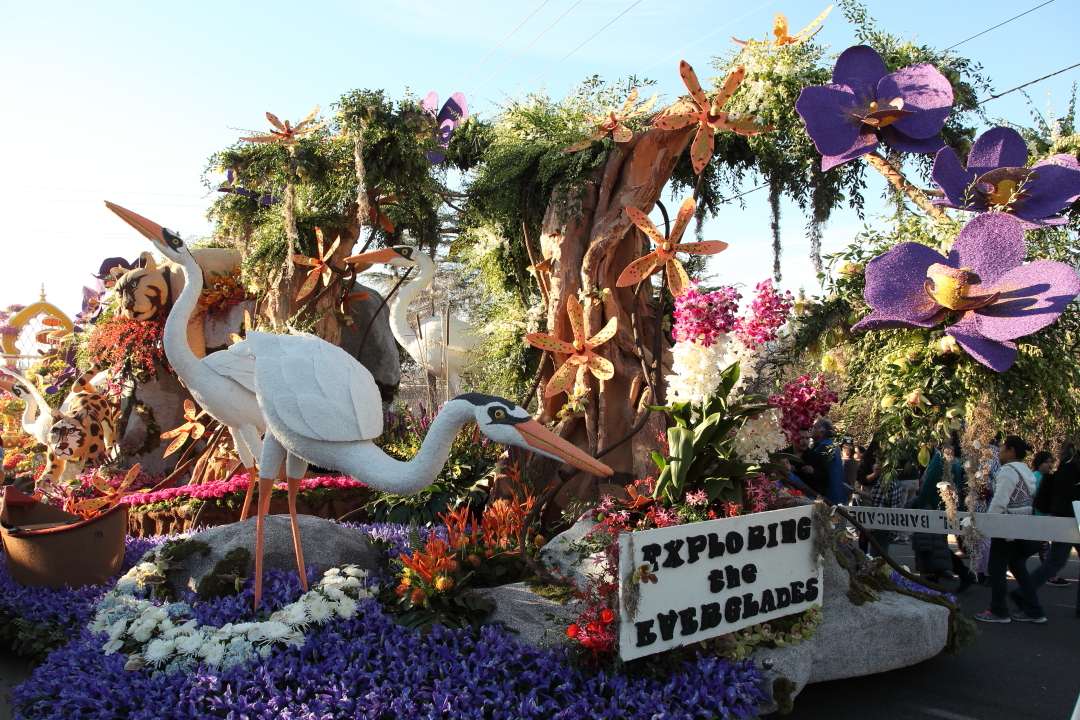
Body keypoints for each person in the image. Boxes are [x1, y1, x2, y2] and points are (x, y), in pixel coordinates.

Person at [976, 435, 1045, 624]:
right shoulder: (1026, 470)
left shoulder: (1008, 471)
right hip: (1022, 527)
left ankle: (999, 611)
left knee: (996, 568)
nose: (999, 451)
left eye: (1002, 448)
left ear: (1011, 451)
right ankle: (1034, 610)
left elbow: (1000, 501)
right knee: (1018, 567)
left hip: (1006, 528)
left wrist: (988, 522)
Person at [912, 434, 974, 590]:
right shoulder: (956, 460)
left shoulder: (940, 458)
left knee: (931, 545)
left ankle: (947, 576)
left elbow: (930, 482)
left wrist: (919, 503)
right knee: (939, 545)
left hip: (933, 506)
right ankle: (957, 573)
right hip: (946, 505)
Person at [1029, 438, 1080, 618]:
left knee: (1055, 560)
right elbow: (1068, 490)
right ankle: (1024, 593)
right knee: (1055, 560)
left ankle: (1023, 593)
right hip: (1069, 516)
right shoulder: (1071, 461)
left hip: (1069, 515)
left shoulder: (1070, 459)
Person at [850, 439, 903, 558]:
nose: (873, 465)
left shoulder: (882, 484)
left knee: (878, 557)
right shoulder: (893, 480)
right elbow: (876, 498)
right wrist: (859, 492)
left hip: (880, 526)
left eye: (877, 463)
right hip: (889, 526)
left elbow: (875, 502)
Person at [1030, 450, 1069, 587]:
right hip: (1038, 516)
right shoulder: (1035, 477)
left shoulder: (1049, 477)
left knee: (1039, 546)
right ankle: (1050, 576)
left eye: (1051, 462)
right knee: (1044, 547)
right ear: (1038, 463)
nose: (1049, 464)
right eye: (1046, 462)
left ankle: (1016, 565)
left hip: (1046, 517)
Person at [780, 428, 829, 495]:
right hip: (784, 495)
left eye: (807, 438)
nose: (805, 442)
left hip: (810, 496)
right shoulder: (782, 454)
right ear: (792, 438)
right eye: (801, 438)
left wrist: (813, 472)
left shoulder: (816, 457)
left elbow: (826, 481)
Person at [812, 418, 847, 504]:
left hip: (828, 495)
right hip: (838, 492)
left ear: (821, 432)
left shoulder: (823, 448)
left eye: (814, 427)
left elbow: (821, 474)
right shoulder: (832, 445)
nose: (811, 429)